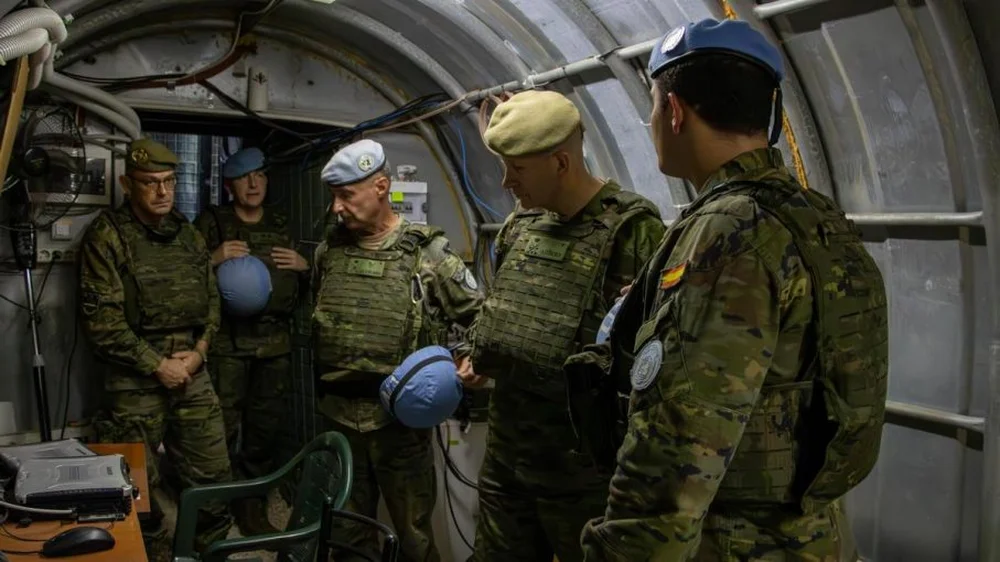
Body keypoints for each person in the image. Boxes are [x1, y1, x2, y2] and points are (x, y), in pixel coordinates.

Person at [574, 19, 889, 561]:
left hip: (734, 543)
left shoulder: (728, 234)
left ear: (673, 112)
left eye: (652, 108)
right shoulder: (816, 218)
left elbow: (677, 448)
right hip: (815, 537)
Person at [467, 89, 667, 562]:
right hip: (507, 458)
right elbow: (502, 311)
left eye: (517, 168)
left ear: (560, 162)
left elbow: (650, 363)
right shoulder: (521, 227)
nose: (505, 182)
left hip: (580, 471)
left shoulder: (633, 231)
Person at [311, 138, 484, 562]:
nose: (337, 207)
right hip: (337, 414)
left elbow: (480, 318)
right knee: (346, 535)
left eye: (346, 195)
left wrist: (472, 356)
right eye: (334, 196)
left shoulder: (429, 253)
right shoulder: (328, 252)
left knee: (414, 535)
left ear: (382, 187)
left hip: (399, 425)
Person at [78, 138, 234, 562]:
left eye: (169, 181)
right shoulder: (107, 236)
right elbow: (102, 325)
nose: (163, 192)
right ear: (128, 184)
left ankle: (212, 550)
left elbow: (213, 302)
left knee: (213, 477)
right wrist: (157, 366)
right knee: (132, 491)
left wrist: (200, 351)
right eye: (151, 183)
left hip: (191, 370)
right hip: (134, 380)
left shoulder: (187, 233)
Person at [192, 146, 309, 535]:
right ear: (230, 186)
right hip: (228, 345)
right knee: (221, 430)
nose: (254, 183)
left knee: (263, 431)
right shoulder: (213, 222)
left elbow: (302, 276)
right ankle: (214, 508)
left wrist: (304, 266)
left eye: (259, 174)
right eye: (244, 177)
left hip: (275, 344)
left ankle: (251, 505)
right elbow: (183, 275)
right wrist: (212, 257)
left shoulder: (279, 219)